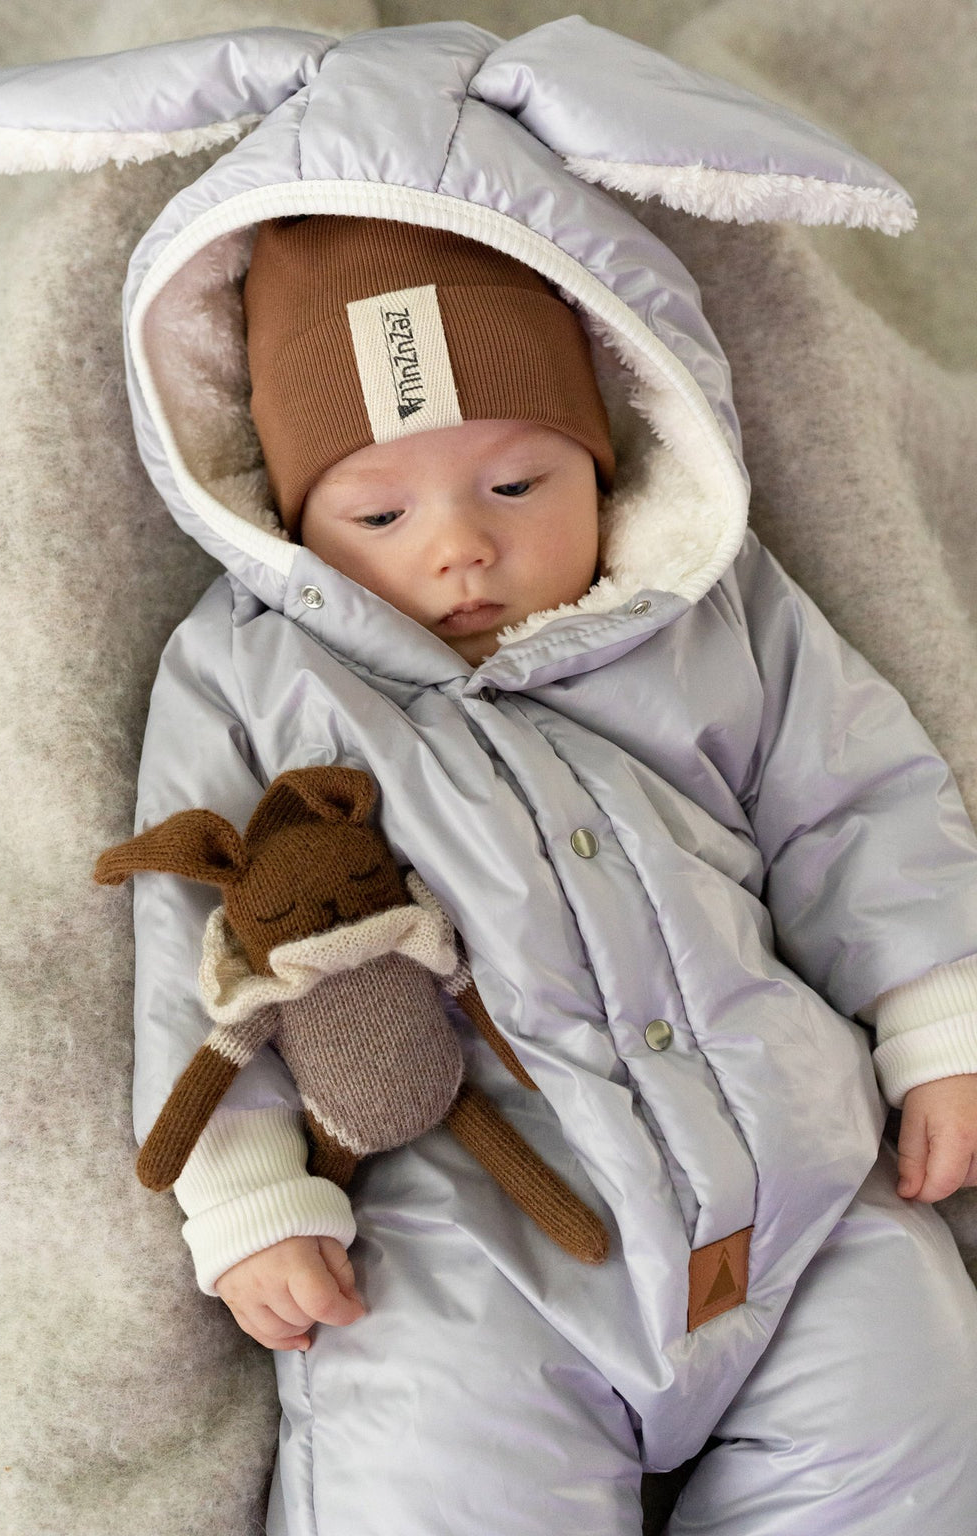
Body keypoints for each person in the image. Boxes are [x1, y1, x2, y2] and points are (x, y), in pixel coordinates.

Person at [127, 209, 977, 1534]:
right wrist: (245, 1192)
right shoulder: (253, 671)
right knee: (430, 1464)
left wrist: (933, 1014)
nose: (460, 545)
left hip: (795, 1182)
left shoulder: (701, 604)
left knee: (915, 1394)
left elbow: (851, 794)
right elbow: (206, 945)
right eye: (379, 509)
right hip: (472, 1227)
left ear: (602, 459)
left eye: (518, 487)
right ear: (292, 519)